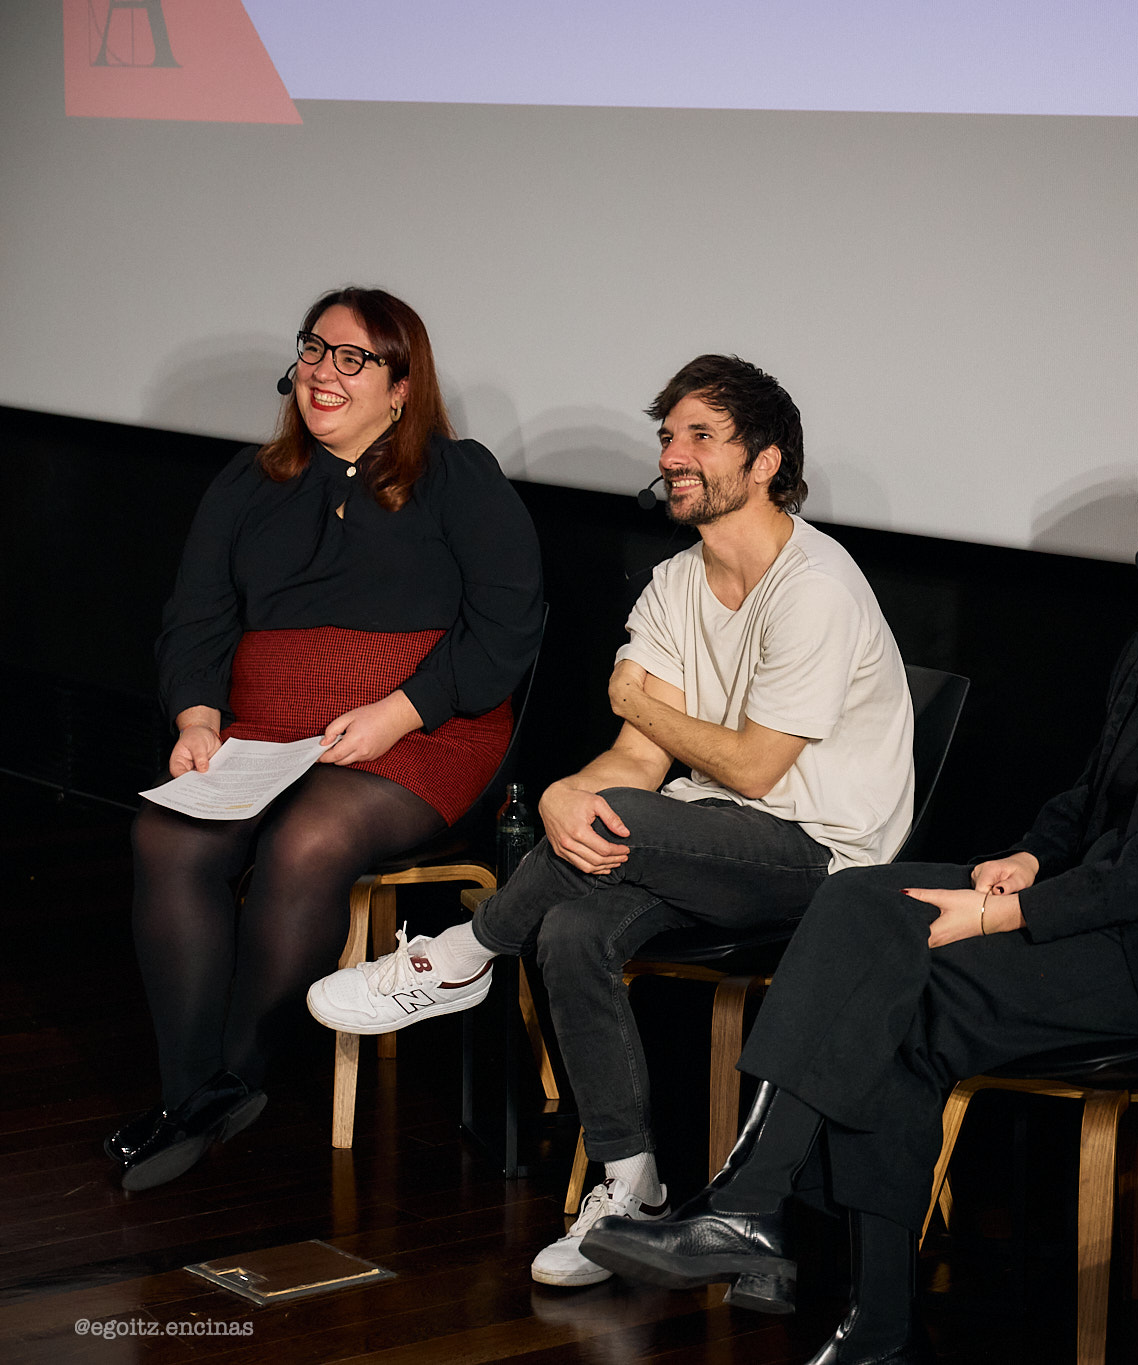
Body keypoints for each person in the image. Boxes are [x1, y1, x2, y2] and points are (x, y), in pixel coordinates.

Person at [577, 426, 1138, 1365]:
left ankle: (764, 1223)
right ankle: (828, 1277)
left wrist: (1008, 909)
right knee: (862, 904)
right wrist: (1026, 857)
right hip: (1096, 909)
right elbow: (1086, 798)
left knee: (904, 996)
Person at [306, 354, 916, 1289]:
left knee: (618, 824)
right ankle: (630, 1181)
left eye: (700, 436)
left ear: (764, 462)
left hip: (821, 856)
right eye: (667, 434)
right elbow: (635, 763)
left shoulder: (816, 586)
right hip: (701, 834)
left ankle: (464, 952)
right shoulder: (675, 583)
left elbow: (755, 765)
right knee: (574, 923)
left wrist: (638, 708)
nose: (673, 453)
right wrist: (560, 794)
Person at [110, 287, 545, 1191]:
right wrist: (196, 718)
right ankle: (196, 1094)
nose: (323, 371)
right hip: (266, 732)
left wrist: (401, 709)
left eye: (353, 357)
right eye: (315, 349)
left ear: (401, 384)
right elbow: (196, 618)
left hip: (422, 731)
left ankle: (240, 1073)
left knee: (306, 838)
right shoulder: (248, 481)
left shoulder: (459, 477)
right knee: (168, 833)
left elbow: (505, 629)